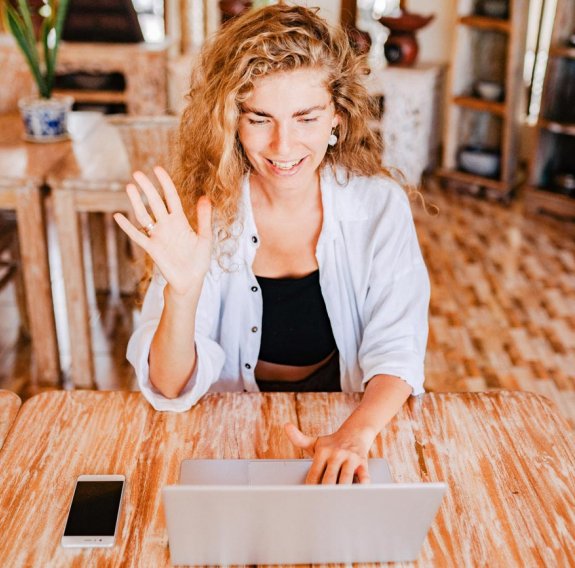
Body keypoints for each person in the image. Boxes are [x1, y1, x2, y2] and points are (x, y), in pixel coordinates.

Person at [114, 4, 430, 485]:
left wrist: (354, 435)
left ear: (337, 119)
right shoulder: (206, 213)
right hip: (224, 435)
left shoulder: (378, 207)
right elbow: (169, 386)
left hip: (348, 421)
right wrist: (183, 293)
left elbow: (398, 349)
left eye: (306, 117)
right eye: (260, 118)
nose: (283, 146)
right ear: (233, 123)